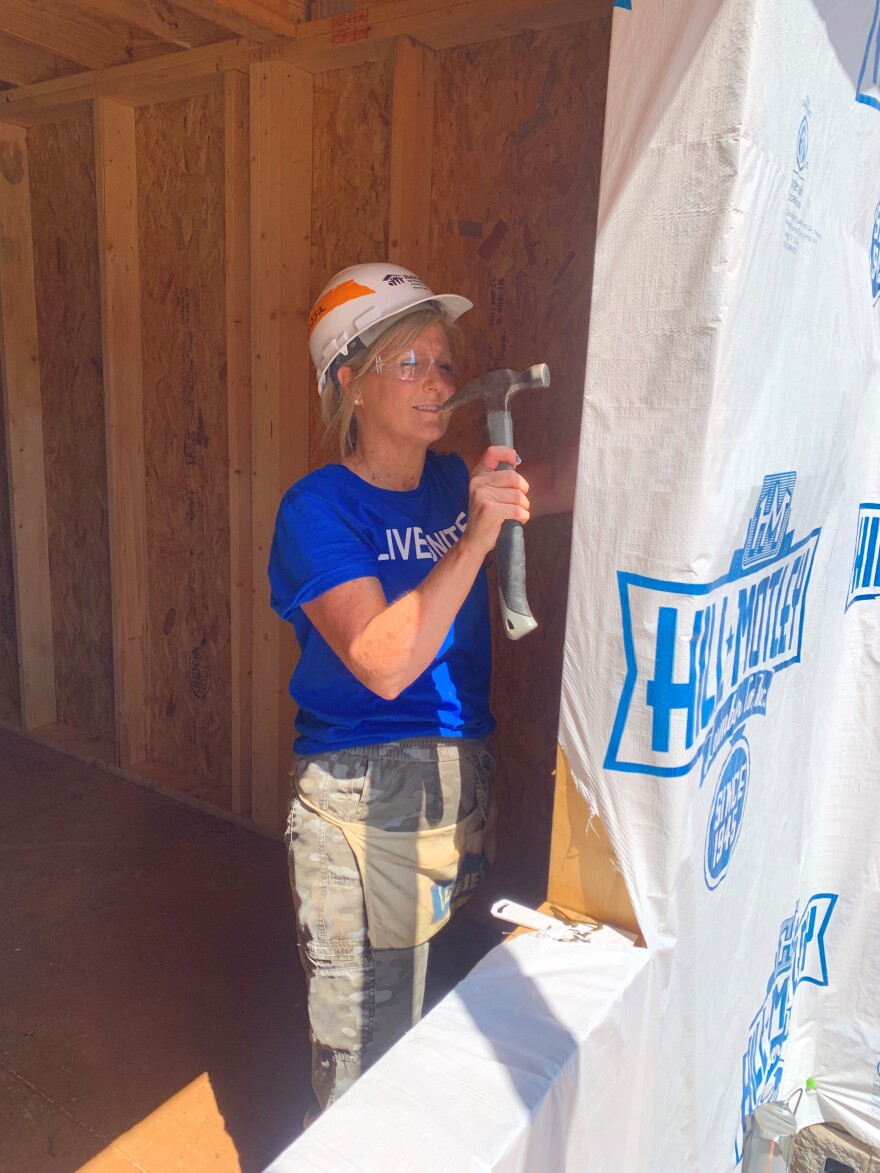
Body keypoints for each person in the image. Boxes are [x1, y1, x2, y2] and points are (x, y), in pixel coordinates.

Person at [269, 262, 576, 1121]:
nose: (437, 382)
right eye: (409, 363)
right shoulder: (317, 509)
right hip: (361, 814)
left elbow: (554, 485)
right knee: (366, 1076)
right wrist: (476, 541)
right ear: (348, 384)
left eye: (444, 364)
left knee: (424, 1038)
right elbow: (381, 659)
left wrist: (650, 398)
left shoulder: (453, 483)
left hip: (453, 795)